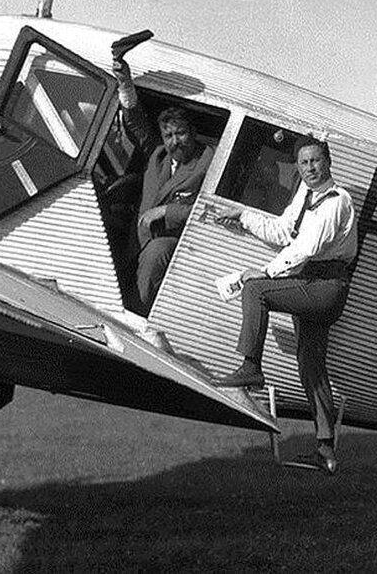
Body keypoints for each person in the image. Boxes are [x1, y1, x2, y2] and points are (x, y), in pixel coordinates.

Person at [214, 136, 358, 474]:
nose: (310, 168)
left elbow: (305, 249)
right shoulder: (306, 196)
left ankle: (251, 367)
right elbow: (283, 231)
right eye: (304, 162)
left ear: (329, 163)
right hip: (312, 284)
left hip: (326, 288)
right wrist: (244, 216)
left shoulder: (336, 201)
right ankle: (326, 450)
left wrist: (262, 272)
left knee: (256, 290)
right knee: (310, 364)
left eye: (316, 161)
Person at [112, 56, 215, 314]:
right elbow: (136, 123)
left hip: (174, 242)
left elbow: (208, 211)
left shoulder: (209, 162)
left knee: (155, 256)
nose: (175, 141)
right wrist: (124, 81)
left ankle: (135, 320)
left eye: (181, 133)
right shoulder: (159, 155)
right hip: (139, 240)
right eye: (169, 135)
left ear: (193, 133)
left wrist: (166, 212)